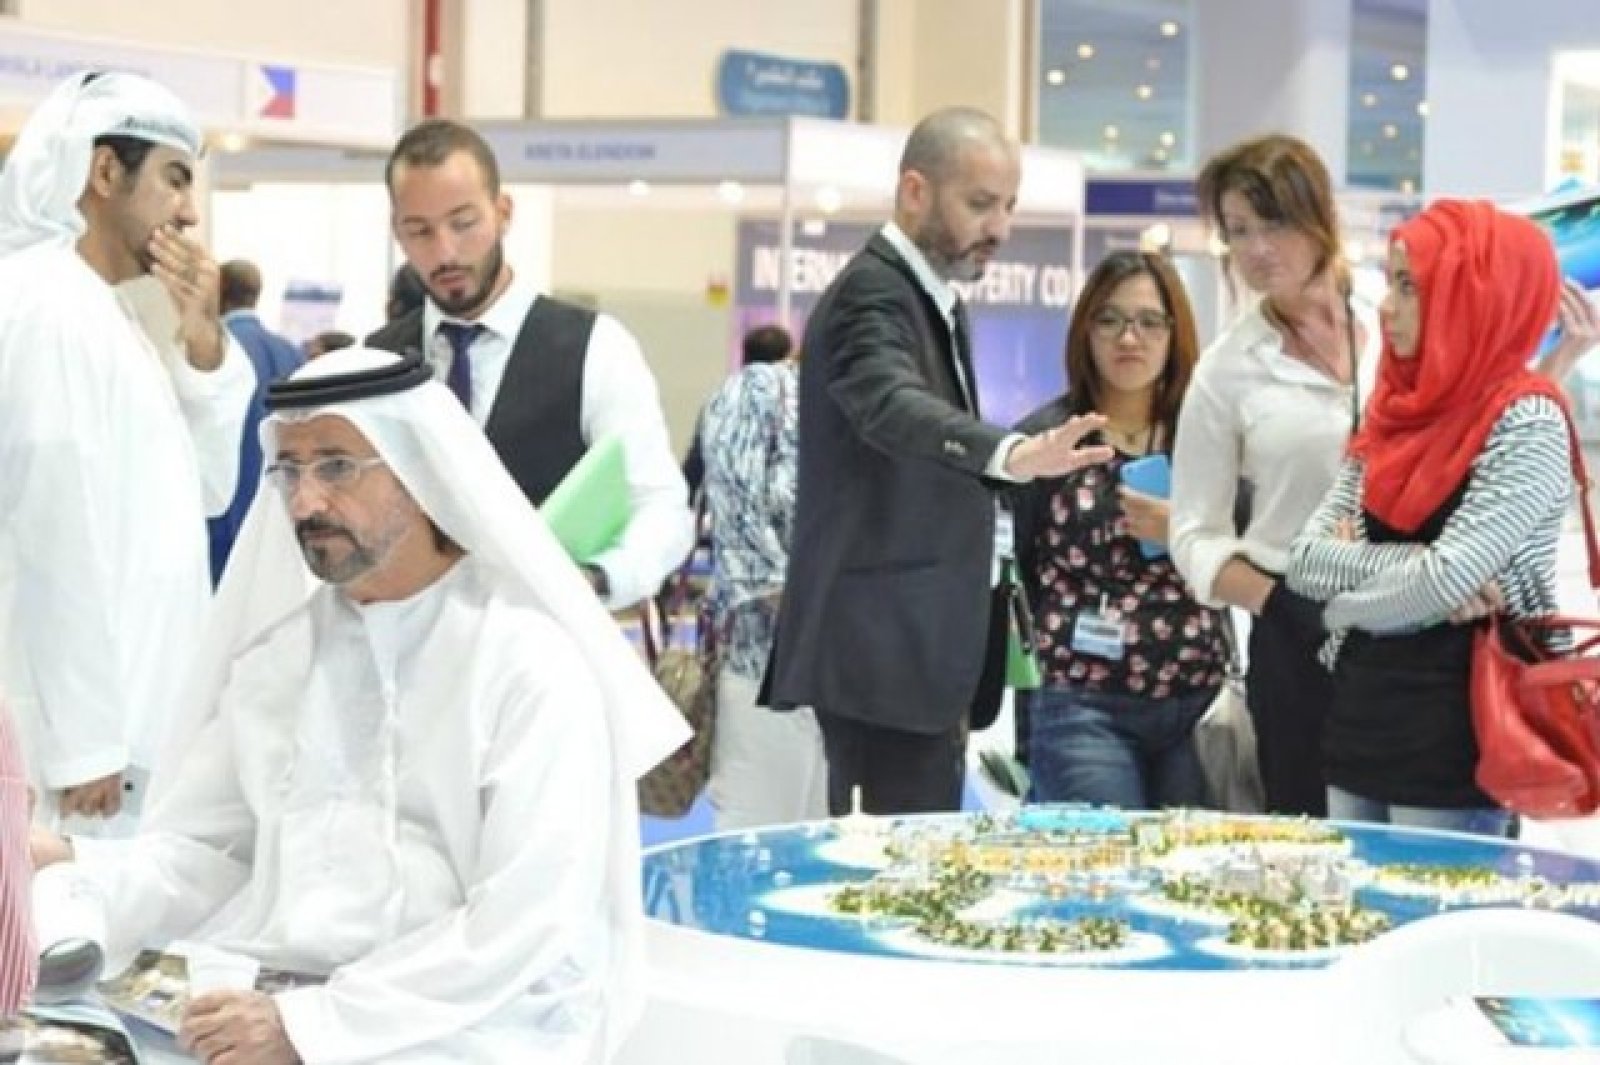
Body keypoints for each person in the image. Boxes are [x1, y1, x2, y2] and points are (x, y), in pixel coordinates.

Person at [30, 347, 689, 1063]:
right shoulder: (278, 658)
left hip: (482, 1024)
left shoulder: (528, 662)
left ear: (418, 470)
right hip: (281, 998)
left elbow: (527, 918)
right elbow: (211, 853)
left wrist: (312, 1027)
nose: (305, 503)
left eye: (337, 466)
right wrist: (68, 863)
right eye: (289, 471)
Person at [1172, 134, 1600, 819]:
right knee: (1319, 850)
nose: (1256, 250)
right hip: (1304, 630)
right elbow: (1206, 534)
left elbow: (1488, 423)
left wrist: (1412, 580)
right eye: (1237, 231)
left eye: (1272, 222)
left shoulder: (1407, 312)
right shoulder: (1231, 369)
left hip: (1453, 680)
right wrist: (1309, 600)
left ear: (1319, 216)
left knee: (1435, 862)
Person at [765, 107, 1113, 816]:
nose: (1000, 228)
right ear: (915, 192)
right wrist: (1009, 452)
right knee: (888, 869)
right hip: (882, 659)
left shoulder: (930, 298)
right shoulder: (871, 294)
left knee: (916, 859)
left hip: (918, 658)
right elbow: (890, 404)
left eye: (1009, 206)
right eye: (980, 204)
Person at [0, 71, 252, 828]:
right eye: (174, 179)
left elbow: (205, 492)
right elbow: (51, 530)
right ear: (105, 171)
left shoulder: (104, 313)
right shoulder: (45, 306)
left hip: (131, 737)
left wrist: (203, 342)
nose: (190, 213)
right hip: (78, 759)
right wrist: (85, 744)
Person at [1285, 201, 1576, 836]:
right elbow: (1303, 563)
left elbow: (1442, 580)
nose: (1387, 308)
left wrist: (1343, 606)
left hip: (1462, 740)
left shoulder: (1527, 421)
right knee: (1357, 900)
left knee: (1438, 902)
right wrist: (1419, 569)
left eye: (1410, 286)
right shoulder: (1394, 413)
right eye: (1391, 283)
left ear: (1478, 295)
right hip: (1359, 719)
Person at [367, 119, 692, 609]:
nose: (445, 251)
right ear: (398, 233)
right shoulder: (375, 362)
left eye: (463, 223)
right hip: (408, 639)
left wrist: (596, 580)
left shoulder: (596, 348)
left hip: (546, 638)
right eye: (420, 232)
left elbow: (658, 505)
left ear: (503, 213)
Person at [1012, 251, 1228, 808]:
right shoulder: (1047, 439)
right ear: (1086, 331)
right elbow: (1023, 572)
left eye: (1149, 322)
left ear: (1174, 334)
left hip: (1200, 703)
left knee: (1196, 861)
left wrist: (1182, 529)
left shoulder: (1207, 434)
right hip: (1082, 702)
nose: (1129, 338)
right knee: (1105, 858)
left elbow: (1243, 550)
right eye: (1109, 320)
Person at [699, 325, 826, 829]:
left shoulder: (876, 415)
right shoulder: (760, 392)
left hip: (859, 688)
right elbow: (739, 522)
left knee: (836, 850)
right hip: (768, 667)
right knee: (758, 843)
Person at [210, 259, 305, 582]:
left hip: (226, 507)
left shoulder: (216, 351)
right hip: (283, 501)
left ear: (219, 289)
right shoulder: (290, 352)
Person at [683, 324, 793, 502]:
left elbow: (696, 463)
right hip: (776, 507)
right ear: (785, 359)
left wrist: (684, 503)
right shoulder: (790, 401)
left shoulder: (719, 400)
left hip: (723, 508)